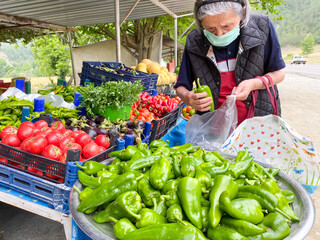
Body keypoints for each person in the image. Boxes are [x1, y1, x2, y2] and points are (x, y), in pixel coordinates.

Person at [175, 0, 285, 125]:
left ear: (243, 12)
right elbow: (181, 86)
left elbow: (279, 73)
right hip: (214, 127)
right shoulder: (194, 40)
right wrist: (188, 98)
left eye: (227, 26)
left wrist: (253, 84)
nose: (220, 35)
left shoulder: (262, 27)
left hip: (258, 123)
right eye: (211, 28)